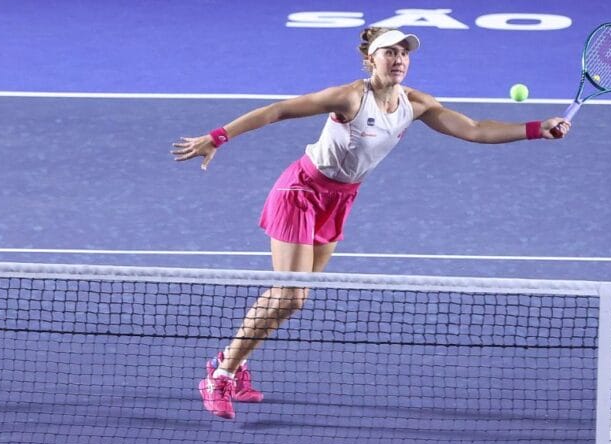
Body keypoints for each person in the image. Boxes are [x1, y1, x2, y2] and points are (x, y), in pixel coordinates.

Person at [172, 27, 571, 419]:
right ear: (370, 59)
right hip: (300, 193)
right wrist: (217, 137)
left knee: (290, 298)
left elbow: (475, 129)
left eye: (404, 53)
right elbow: (278, 110)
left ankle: (231, 360)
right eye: (389, 52)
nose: (399, 59)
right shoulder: (349, 97)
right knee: (291, 296)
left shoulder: (417, 104)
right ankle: (219, 378)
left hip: (339, 200)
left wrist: (536, 129)